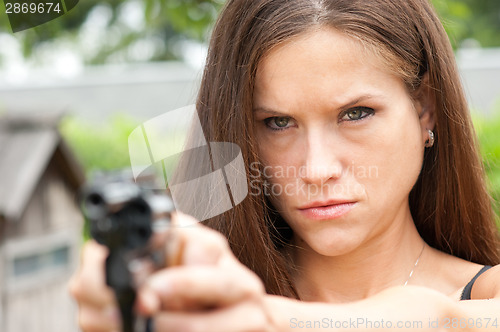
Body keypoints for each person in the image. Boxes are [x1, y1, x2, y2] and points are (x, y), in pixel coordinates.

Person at [69, 0, 500, 331]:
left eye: (356, 113)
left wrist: (263, 319)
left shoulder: (484, 298)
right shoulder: (199, 294)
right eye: (278, 123)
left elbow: (445, 318)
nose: (315, 169)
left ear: (425, 108)